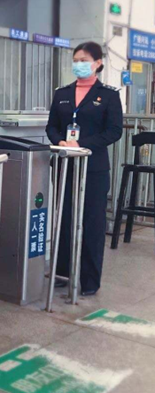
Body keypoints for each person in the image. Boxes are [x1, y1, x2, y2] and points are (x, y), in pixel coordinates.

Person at [46, 42, 123, 296]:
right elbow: (51, 126)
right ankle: (62, 272)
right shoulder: (62, 93)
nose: (78, 64)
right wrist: (60, 142)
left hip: (93, 168)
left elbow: (114, 131)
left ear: (97, 63)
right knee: (64, 218)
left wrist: (81, 144)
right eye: (76, 60)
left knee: (92, 223)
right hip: (65, 163)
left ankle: (89, 280)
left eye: (84, 60)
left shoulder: (109, 95)